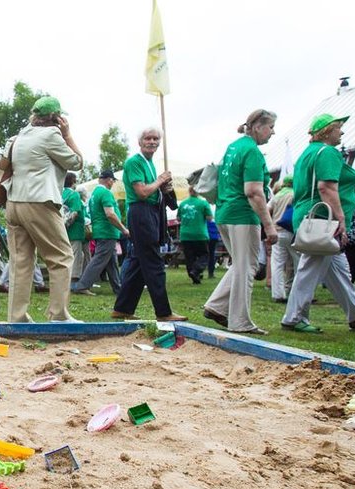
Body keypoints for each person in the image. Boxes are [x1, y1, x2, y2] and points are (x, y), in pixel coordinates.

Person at [282, 113, 355, 333]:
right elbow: (326, 187)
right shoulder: (328, 152)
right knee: (310, 267)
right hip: (323, 219)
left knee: (338, 271)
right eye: (339, 128)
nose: (342, 132)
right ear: (328, 131)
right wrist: (340, 218)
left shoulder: (307, 153)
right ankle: (293, 318)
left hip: (309, 215)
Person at [5, 96, 83, 322]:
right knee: (61, 257)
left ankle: (16, 316)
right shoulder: (51, 135)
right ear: (57, 118)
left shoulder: (20, 135)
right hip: (39, 201)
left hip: (13, 202)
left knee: (21, 261)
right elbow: (76, 163)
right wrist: (67, 134)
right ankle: (58, 314)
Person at [204, 110, 279, 334]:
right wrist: (269, 225)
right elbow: (254, 191)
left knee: (240, 264)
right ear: (257, 127)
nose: (273, 132)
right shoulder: (253, 152)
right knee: (247, 266)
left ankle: (216, 306)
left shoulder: (233, 147)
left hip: (224, 212)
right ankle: (240, 321)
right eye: (271, 127)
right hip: (242, 215)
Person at [111, 128, 186, 321]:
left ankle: (123, 308)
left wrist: (161, 186)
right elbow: (142, 192)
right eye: (147, 138)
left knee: (138, 261)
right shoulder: (134, 162)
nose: (151, 141)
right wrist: (160, 180)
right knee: (153, 261)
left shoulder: (150, 163)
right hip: (140, 212)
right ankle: (163, 312)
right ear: (140, 142)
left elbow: (151, 190)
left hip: (151, 212)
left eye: (155, 138)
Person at [72, 169, 127, 295]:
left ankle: (118, 288)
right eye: (113, 180)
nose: (113, 183)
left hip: (100, 231)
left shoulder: (94, 193)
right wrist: (123, 229)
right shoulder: (106, 193)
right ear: (109, 180)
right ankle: (82, 285)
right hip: (107, 232)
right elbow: (110, 214)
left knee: (111, 261)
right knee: (99, 260)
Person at [267, 175, 297, 302]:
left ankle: (278, 294)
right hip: (292, 231)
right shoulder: (295, 194)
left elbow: (268, 209)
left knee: (277, 264)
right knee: (298, 263)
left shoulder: (277, 196)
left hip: (277, 232)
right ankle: (295, 292)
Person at [61, 172, 88, 282]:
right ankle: (74, 278)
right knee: (76, 254)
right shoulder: (74, 195)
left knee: (67, 254)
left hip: (62, 230)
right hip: (74, 230)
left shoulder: (61, 193)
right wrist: (66, 224)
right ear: (73, 181)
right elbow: (75, 212)